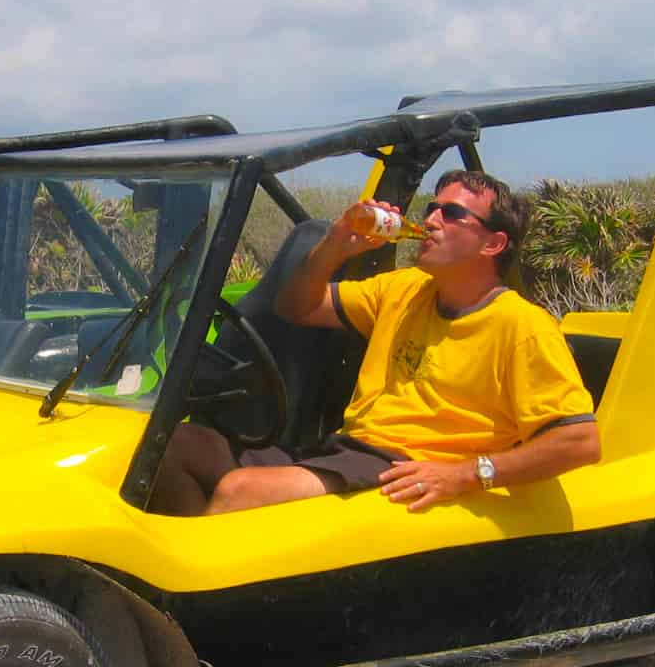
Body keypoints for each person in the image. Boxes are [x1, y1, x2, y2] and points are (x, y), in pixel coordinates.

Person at [149, 169, 600, 515]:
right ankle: (180, 595)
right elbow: (297, 308)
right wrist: (334, 248)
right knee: (167, 446)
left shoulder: (522, 326)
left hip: (407, 465)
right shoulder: (404, 289)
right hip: (350, 449)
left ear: (493, 244)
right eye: (431, 208)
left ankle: (197, 615)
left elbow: (579, 442)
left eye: (453, 213)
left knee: (239, 492)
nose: (432, 220)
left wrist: (466, 474)